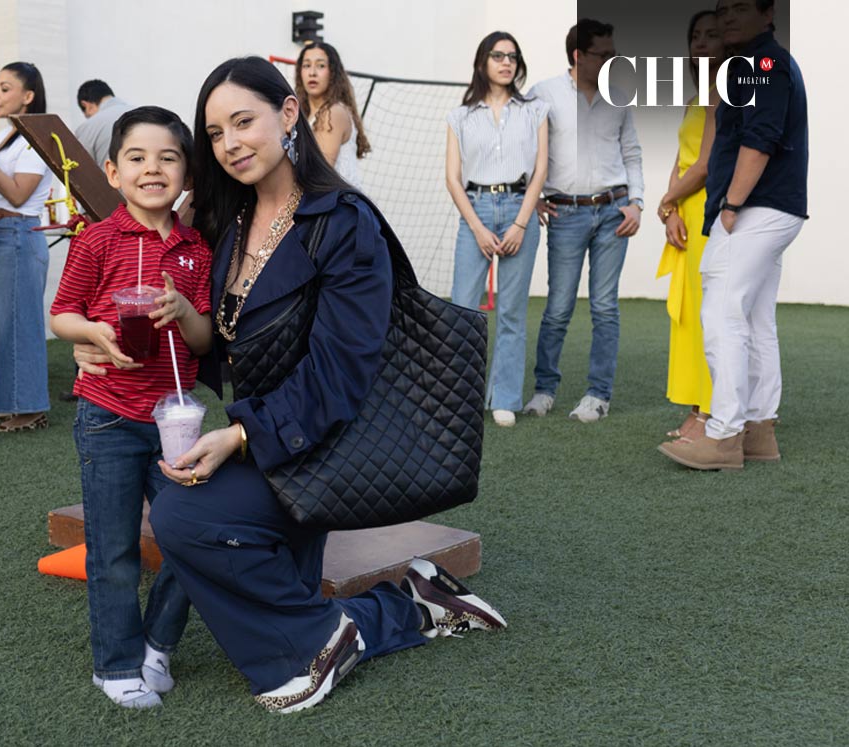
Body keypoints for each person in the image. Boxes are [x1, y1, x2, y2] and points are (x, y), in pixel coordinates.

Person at [73, 57, 508, 714]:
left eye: (243, 121)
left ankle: (345, 629)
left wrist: (242, 434)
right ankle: (405, 600)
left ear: (287, 114)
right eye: (216, 133)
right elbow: (219, 345)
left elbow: (341, 369)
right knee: (196, 519)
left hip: (331, 442)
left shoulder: (341, 221)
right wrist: (97, 338)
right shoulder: (231, 223)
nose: (231, 144)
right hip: (284, 441)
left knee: (186, 515)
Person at [49, 106, 212, 708]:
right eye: (138, 158)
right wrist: (92, 334)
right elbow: (61, 312)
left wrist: (185, 311)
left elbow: (202, 342)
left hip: (175, 417)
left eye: (168, 158)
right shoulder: (96, 240)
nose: (153, 169)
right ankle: (115, 665)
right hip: (109, 416)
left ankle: (156, 647)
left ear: (186, 173)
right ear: (114, 172)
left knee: (193, 536)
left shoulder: (197, 250)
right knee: (114, 549)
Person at [660, 0, 807, 471]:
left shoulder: (758, 64)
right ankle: (760, 431)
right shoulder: (764, 61)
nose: (726, 17)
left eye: (740, 8)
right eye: (723, 9)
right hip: (775, 210)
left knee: (723, 315)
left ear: (768, 15)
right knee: (757, 320)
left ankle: (723, 434)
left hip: (754, 211)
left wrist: (732, 205)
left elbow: (760, 137)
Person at [524, 19, 645, 423]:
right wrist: (532, 196)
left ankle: (598, 395)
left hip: (615, 211)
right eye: (604, 54)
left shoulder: (620, 96)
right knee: (557, 308)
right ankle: (544, 390)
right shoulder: (543, 95)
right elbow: (523, 146)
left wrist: (637, 203)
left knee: (605, 307)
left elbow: (632, 154)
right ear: (578, 55)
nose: (613, 60)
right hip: (566, 213)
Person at [445, 31, 549, 428]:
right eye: (497, 55)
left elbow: (541, 169)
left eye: (512, 56)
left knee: (510, 312)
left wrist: (522, 222)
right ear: (483, 62)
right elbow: (453, 178)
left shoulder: (535, 111)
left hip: (518, 209)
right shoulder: (460, 116)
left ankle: (504, 397)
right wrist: (477, 227)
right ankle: (461, 398)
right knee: (463, 310)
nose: (506, 62)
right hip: (476, 210)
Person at [0, 63, 56, 433]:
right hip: (2, 233)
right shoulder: (4, 135)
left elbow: (18, 192)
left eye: (5, 88)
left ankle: (30, 408)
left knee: (20, 326)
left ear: (28, 96)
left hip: (20, 232)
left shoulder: (37, 137)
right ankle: (8, 403)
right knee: (4, 325)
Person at [654, 11, 722, 443]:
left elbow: (707, 165)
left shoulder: (728, 92)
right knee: (690, 317)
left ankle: (712, 411)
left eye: (710, 34)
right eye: (694, 35)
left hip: (709, 216)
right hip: (686, 215)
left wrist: (666, 201)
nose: (700, 41)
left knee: (709, 315)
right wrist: (670, 212)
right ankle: (697, 406)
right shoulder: (695, 96)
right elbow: (681, 162)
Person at [294, 41, 370, 188]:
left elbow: (319, 173)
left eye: (321, 65)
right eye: (306, 65)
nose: (312, 72)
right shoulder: (307, 115)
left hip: (340, 204)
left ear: (333, 72)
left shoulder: (332, 112)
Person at [73, 80, 134, 169]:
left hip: (109, 182)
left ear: (86, 105)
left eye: (87, 115)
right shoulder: (145, 115)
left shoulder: (88, 127)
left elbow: (81, 169)